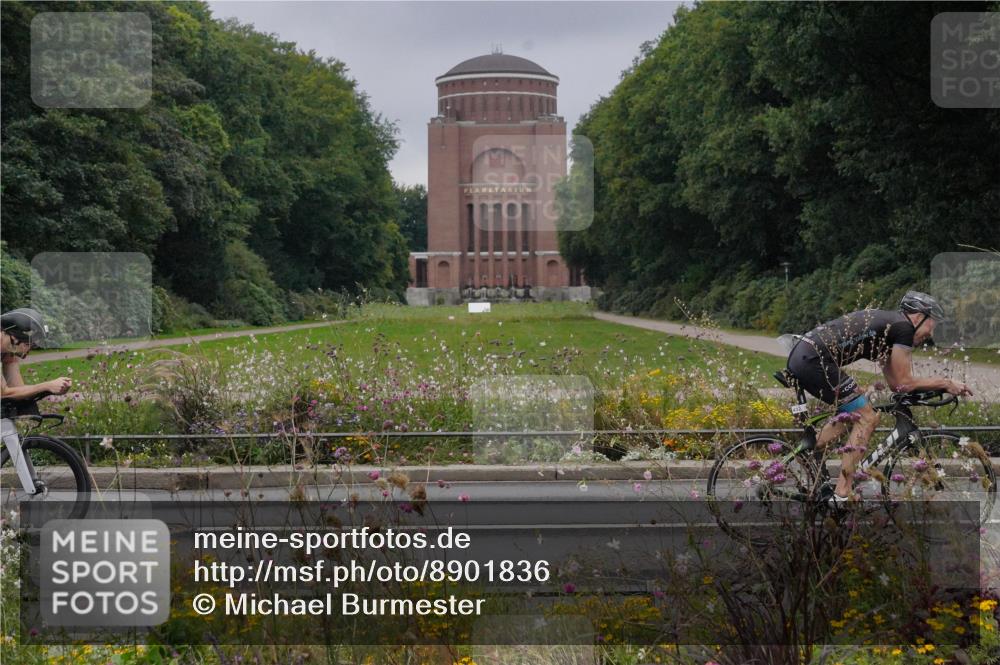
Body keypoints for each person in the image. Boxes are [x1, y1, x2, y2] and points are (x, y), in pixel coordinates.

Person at [786, 291, 973, 503]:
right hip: (813, 361)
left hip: (806, 357)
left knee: (855, 415)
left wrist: (930, 389)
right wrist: (946, 383)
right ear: (918, 317)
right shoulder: (903, 328)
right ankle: (842, 494)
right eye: (933, 324)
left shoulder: (888, 329)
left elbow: (897, 384)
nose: (931, 333)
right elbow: (905, 380)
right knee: (868, 418)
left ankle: (810, 449)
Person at [1, 308, 71, 401]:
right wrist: (46, 386)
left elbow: (19, 392)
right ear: (15, 338)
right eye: (30, 345)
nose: (30, 349)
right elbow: (3, 394)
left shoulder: (8, 352)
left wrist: (55, 388)